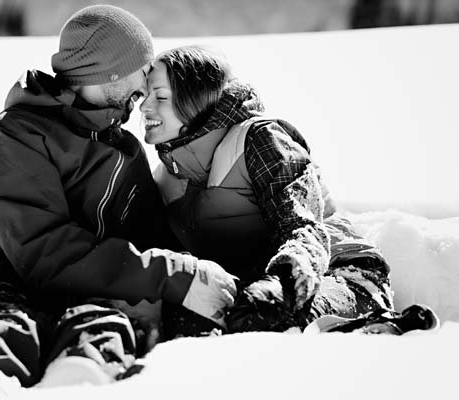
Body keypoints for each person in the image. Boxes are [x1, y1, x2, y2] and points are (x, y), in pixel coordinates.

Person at [0, 8, 237, 387]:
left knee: (102, 335)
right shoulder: (16, 135)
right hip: (9, 290)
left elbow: (151, 238)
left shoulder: (124, 148)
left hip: (95, 298)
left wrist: (204, 268)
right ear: (109, 71)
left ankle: (81, 383)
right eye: (141, 66)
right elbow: (44, 254)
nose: (147, 79)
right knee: (4, 335)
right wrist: (171, 275)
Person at [139, 45, 396, 335]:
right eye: (144, 95)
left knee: (267, 319)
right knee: (186, 321)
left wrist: (283, 282)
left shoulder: (261, 139)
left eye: (160, 96)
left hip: (336, 275)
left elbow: (303, 227)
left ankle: (378, 329)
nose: (144, 106)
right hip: (254, 287)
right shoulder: (167, 175)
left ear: (197, 99)